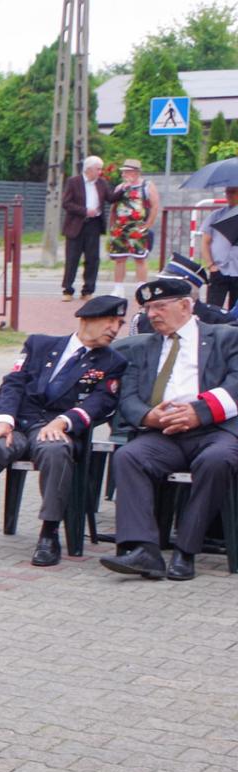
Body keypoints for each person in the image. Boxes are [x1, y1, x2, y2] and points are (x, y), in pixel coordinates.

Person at [0, 296, 128, 566]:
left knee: (55, 451)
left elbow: (101, 401)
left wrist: (65, 421)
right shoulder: (39, 344)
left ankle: (49, 534)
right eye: (110, 321)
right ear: (87, 320)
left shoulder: (112, 362)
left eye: (120, 323)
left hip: (58, 429)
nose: (115, 329)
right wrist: (4, 420)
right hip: (20, 426)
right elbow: (13, 383)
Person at [97, 276, 238, 583]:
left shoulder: (224, 337)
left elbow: (236, 383)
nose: (152, 315)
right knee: (129, 457)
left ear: (185, 306)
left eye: (160, 307)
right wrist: (150, 417)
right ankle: (143, 549)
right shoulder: (143, 347)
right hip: (163, 434)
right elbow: (128, 398)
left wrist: (199, 412)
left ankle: (186, 550)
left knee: (217, 460)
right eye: (148, 309)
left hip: (214, 431)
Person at [60, 156, 110, 301]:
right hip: (76, 224)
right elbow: (66, 203)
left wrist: (124, 189)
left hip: (94, 225)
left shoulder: (102, 183)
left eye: (101, 169)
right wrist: (85, 211)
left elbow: (111, 197)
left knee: (92, 259)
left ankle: (88, 290)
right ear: (88, 169)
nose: (100, 172)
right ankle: (68, 290)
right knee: (72, 258)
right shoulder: (74, 182)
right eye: (98, 169)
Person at [107, 159, 160, 290]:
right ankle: (118, 288)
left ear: (135, 173)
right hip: (120, 228)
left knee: (140, 258)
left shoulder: (147, 186)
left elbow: (155, 206)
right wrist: (112, 225)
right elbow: (113, 207)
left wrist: (148, 224)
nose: (123, 175)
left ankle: (141, 288)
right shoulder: (120, 187)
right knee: (119, 258)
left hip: (137, 227)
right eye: (123, 172)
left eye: (126, 172)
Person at [201, 185, 238, 310]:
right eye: (227, 192)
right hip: (219, 269)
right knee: (212, 308)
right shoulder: (216, 215)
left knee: (235, 312)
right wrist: (211, 265)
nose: (229, 195)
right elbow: (205, 242)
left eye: (232, 192)